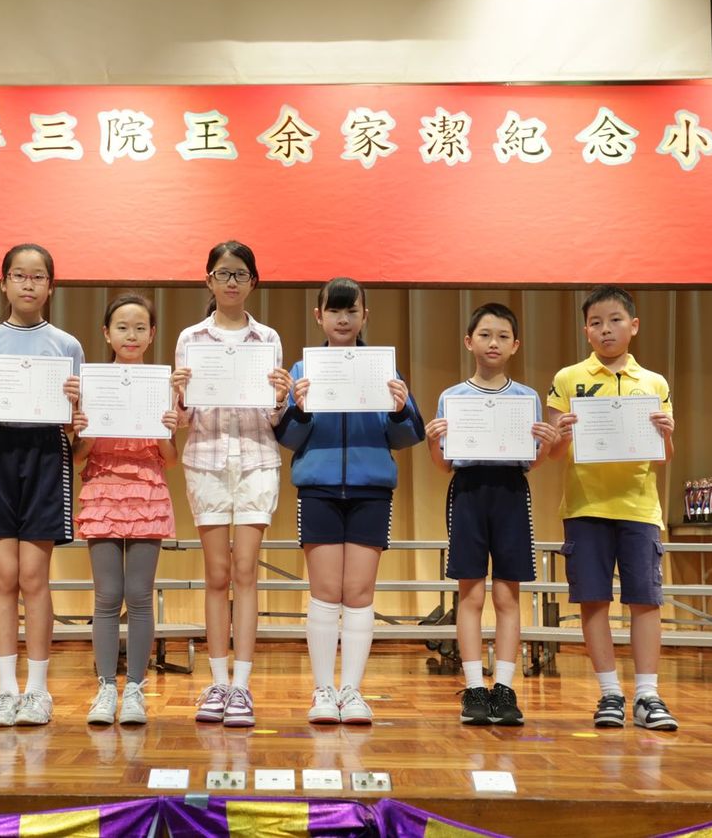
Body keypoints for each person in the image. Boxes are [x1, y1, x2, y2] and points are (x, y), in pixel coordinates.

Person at [275, 277, 425, 725]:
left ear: (364, 316)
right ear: (318, 316)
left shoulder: (384, 368)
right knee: (324, 592)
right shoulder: (303, 369)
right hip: (318, 488)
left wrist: (400, 408)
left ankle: (352, 692)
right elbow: (287, 437)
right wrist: (299, 409)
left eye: (351, 310)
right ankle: (323, 690)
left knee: (359, 593)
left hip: (370, 490)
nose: (343, 319)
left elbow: (407, 436)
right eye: (334, 311)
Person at [0, 244, 84, 728]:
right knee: (3, 577)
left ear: (51, 286)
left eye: (37, 277)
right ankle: (4, 690)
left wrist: (75, 407)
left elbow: (76, 423)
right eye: (19, 275)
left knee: (34, 577)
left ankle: (37, 689)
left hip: (46, 456)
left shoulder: (67, 345)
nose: (28, 284)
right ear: (4, 283)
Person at [545, 286, 678, 731]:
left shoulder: (653, 383)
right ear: (586, 330)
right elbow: (553, 453)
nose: (606, 329)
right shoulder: (568, 379)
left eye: (615, 320)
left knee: (645, 600)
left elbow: (664, 457)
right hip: (585, 506)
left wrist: (666, 433)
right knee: (593, 600)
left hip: (639, 507)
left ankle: (647, 695)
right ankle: (609, 693)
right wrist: (561, 434)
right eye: (596, 322)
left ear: (633, 326)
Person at [171, 241, 292, 728]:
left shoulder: (268, 338)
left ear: (253, 282)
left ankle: (242, 685)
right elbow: (183, 418)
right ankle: (218, 681)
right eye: (223, 273)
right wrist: (180, 395)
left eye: (240, 274)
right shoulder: (191, 338)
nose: (231, 282)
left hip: (257, 459)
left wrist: (281, 397)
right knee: (216, 574)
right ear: (209, 280)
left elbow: (274, 416)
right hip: (206, 460)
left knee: (246, 572)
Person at [424, 303, 557, 727]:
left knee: (506, 594)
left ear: (515, 345)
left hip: (511, 492)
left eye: (502, 336)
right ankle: (473, 687)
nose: (493, 343)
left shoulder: (526, 398)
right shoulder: (452, 397)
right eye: (485, 335)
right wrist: (432, 442)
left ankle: (503, 687)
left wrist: (546, 445)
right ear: (469, 342)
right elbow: (444, 464)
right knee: (470, 594)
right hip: (467, 491)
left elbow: (532, 462)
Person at [71, 294, 181, 727]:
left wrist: (168, 431)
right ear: (106, 333)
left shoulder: (161, 385)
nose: (130, 335)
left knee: (138, 595)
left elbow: (170, 460)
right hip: (101, 492)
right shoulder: (92, 383)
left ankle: (135, 689)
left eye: (139, 328)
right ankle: (105, 688)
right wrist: (81, 431)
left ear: (152, 335)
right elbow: (79, 455)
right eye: (122, 327)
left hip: (147, 494)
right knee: (106, 596)